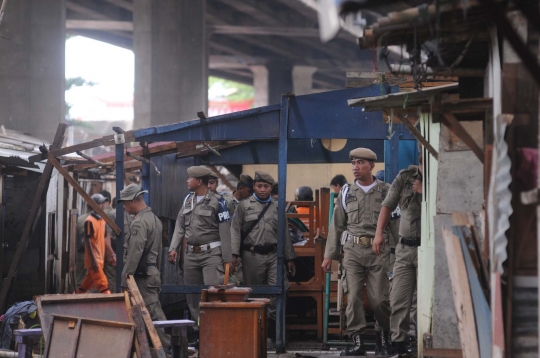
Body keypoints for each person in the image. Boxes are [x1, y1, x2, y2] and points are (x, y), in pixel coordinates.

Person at [321, 148, 392, 356]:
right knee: (353, 299)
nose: (356, 167)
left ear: (372, 166)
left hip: (379, 252)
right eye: (353, 163)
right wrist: (329, 256)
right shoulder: (345, 192)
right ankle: (358, 342)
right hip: (352, 251)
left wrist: (398, 254)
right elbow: (337, 226)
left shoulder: (387, 192)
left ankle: (383, 337)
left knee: (380, 299)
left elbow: (395, 225)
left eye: (361, 163)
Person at [230, 171, 297, 340]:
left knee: (279, 289)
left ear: (271, 188)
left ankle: (274, 329)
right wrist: (234, 254)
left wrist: (290, 258)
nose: (262, 190)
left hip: (274, 255)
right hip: (252, 256)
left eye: (266, 187)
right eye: (259, 186)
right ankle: (257, 332)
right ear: (254, 187)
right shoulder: (243, 206)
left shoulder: (277, 206)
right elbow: (235, 231)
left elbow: (285, 234)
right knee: (254, 293)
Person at [167, 166, 232, 336]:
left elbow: (225, 231)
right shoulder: (188, 199)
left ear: (199, 181)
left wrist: (227, 259)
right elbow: (180, 225)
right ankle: (199, 332)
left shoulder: (218, 202)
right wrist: (173, 248)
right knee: (192, 296)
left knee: (213, 293)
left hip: (212, 254)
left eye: (190, 178)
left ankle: (216, 331)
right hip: (191, 255)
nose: (187, 181)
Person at [373, 155, 423, 355]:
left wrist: (425, 191)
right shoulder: (405, 177)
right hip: (404, 248)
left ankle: (419, 340)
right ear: (420, 159)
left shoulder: (441, 178)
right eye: (422, 160)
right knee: (399, 298)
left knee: (424, 300)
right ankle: (399, 344)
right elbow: (388, 205)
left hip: (426, 248)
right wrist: (379, 233)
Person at [118, 184, 171, 350]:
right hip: (151, 272)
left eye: (125, 203)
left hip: (142, 277)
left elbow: (134, 253)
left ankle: (166, 347)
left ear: (133, 200)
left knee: (153, 313)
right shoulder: (154, 219)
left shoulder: (140, 223)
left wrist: (125, 280)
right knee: (148, 312)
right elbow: (160, 253)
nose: (124, 207)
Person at [77, 193, 111, 294]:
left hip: (100, 259)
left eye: (103, 203)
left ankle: (77, 300)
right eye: (100, 204)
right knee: (103, 285)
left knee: (85, 285)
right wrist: (93, 260)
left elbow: (104, 238)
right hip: (94, 260)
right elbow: (87, 241)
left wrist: (111, 254)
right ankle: (110, 306)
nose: (102, 205)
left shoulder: (102, 220)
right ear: (93, 205)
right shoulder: (89, 221)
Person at [100, 190, 118, 292]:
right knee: (111, 277)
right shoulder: (113, 213)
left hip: (101, 252)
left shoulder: (95, 214)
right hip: (111, 251)